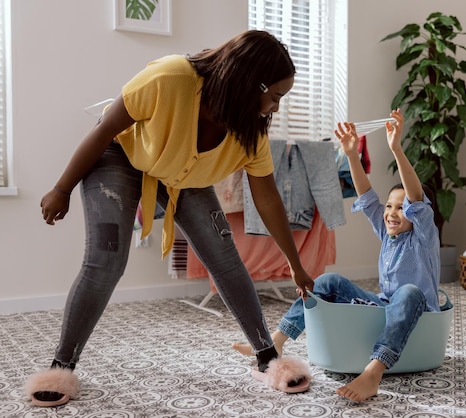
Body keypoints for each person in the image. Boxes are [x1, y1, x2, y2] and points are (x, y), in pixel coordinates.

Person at [26, 30, 315, 408]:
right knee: (106, 260)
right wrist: (62, 188)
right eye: (275, 96)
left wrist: (295, 264)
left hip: (183, 176)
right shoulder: (170, 78)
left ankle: (267, 359)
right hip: (120, 156)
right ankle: (61, 365)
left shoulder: (251, 130)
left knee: (224, 255)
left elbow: (267, 197)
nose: (275, 107)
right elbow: (104, 129)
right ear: (250, 82)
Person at [233, 108, 441, 402]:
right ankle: (276, 341)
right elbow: (367, 197)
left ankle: (373, 372)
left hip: (420, 309)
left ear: (417, 214)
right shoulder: (388, 234)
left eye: (403, 208)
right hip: (386, 306)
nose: (393, 213)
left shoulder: (424, 235)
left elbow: (416, 198)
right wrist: (352, 154)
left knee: (408, 291)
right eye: (391, 206)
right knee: (328, 280)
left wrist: (395, 148)